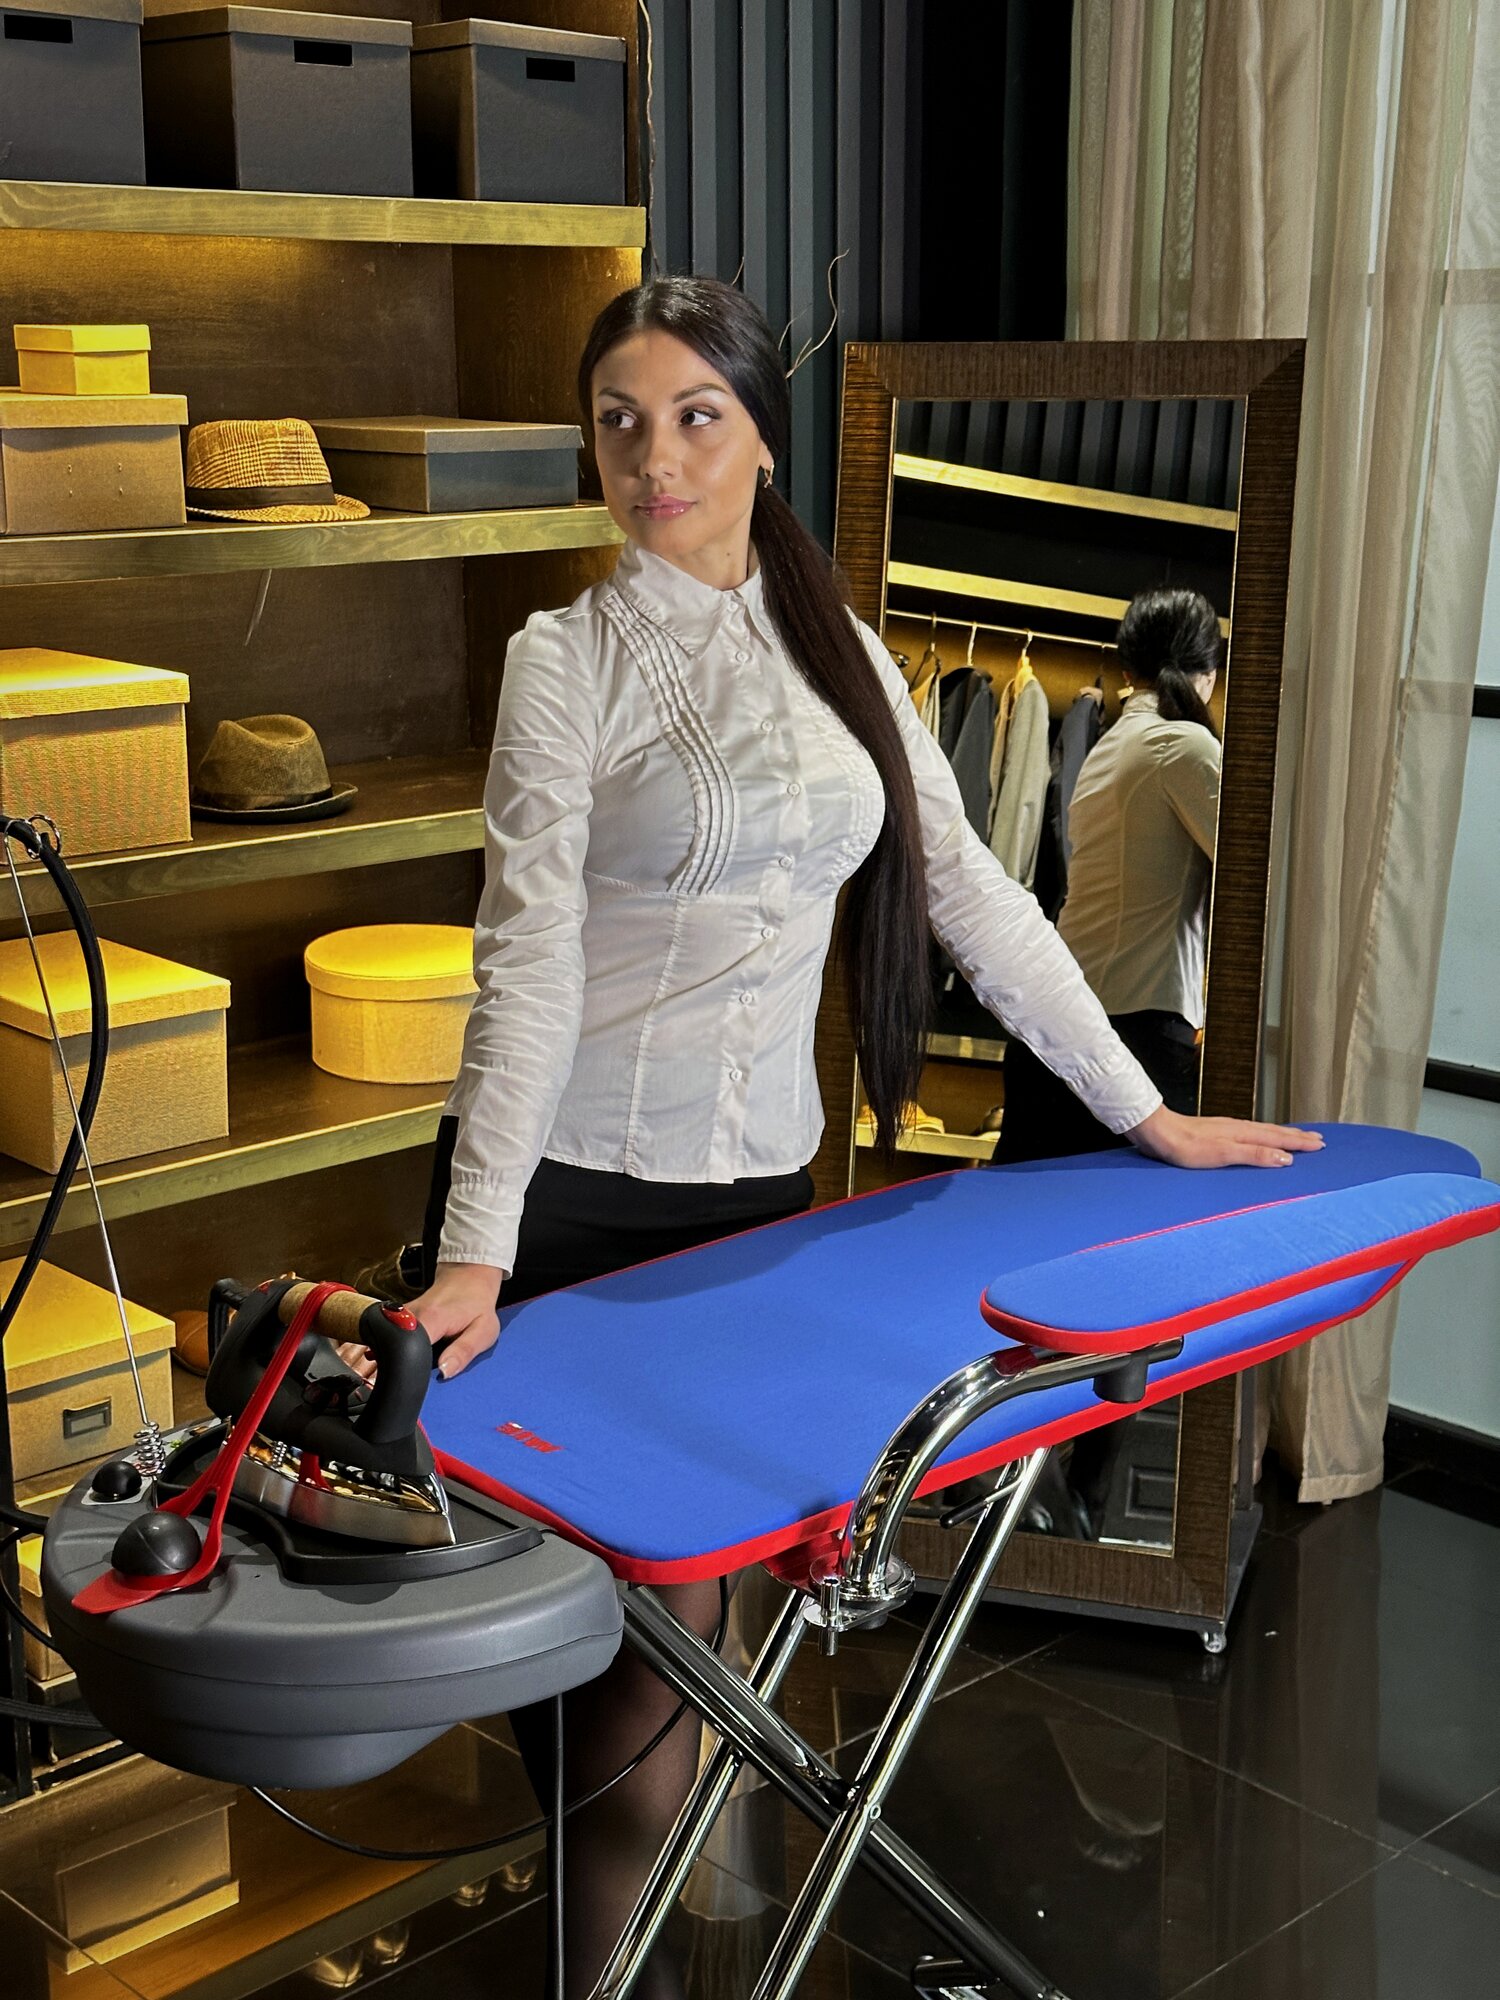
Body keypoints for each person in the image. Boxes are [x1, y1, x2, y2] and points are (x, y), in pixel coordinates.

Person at [402, 282, 1316, 1993]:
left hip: (762, 1214)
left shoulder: (846, 657)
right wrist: (474, 1254)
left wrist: (1147, 1111)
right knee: (629, 1725)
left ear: (761, 432)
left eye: (696, 416)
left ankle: (670, 1947)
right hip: (575, 1217)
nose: (656, 458)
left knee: (698, 1661)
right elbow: (524, 964)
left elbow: (974, 895)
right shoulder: (564, 663)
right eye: (620, 420)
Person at [996, 586, 1225, 1164]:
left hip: (1061, 1013)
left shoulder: (1111, 745)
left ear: (1127, 668)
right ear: (1208, 674)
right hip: (1135, 1028)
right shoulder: (1183, 746)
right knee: (1130, 1214)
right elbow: (1251, 876)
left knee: (1036, 1207)